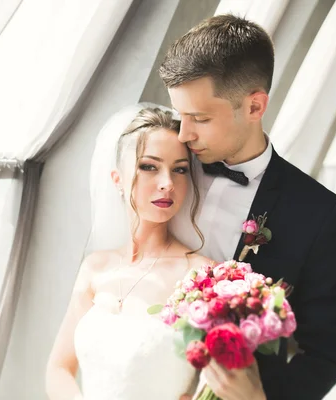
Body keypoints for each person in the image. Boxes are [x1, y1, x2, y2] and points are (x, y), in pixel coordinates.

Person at [161, 14, 336, 400]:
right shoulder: (161, 165)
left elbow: (325, 354)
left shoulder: (316, 212)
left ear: (254, 106)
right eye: (180, 114)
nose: (184, 133)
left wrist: (258, 397)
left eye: (199, 118)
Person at [45, 105, 214, 400]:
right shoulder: (95, 268)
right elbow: (59, 368)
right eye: (149, 166)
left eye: (180, 169)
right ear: (117, 180)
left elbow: (217, 384)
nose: (167, 183)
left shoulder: (201, 274)